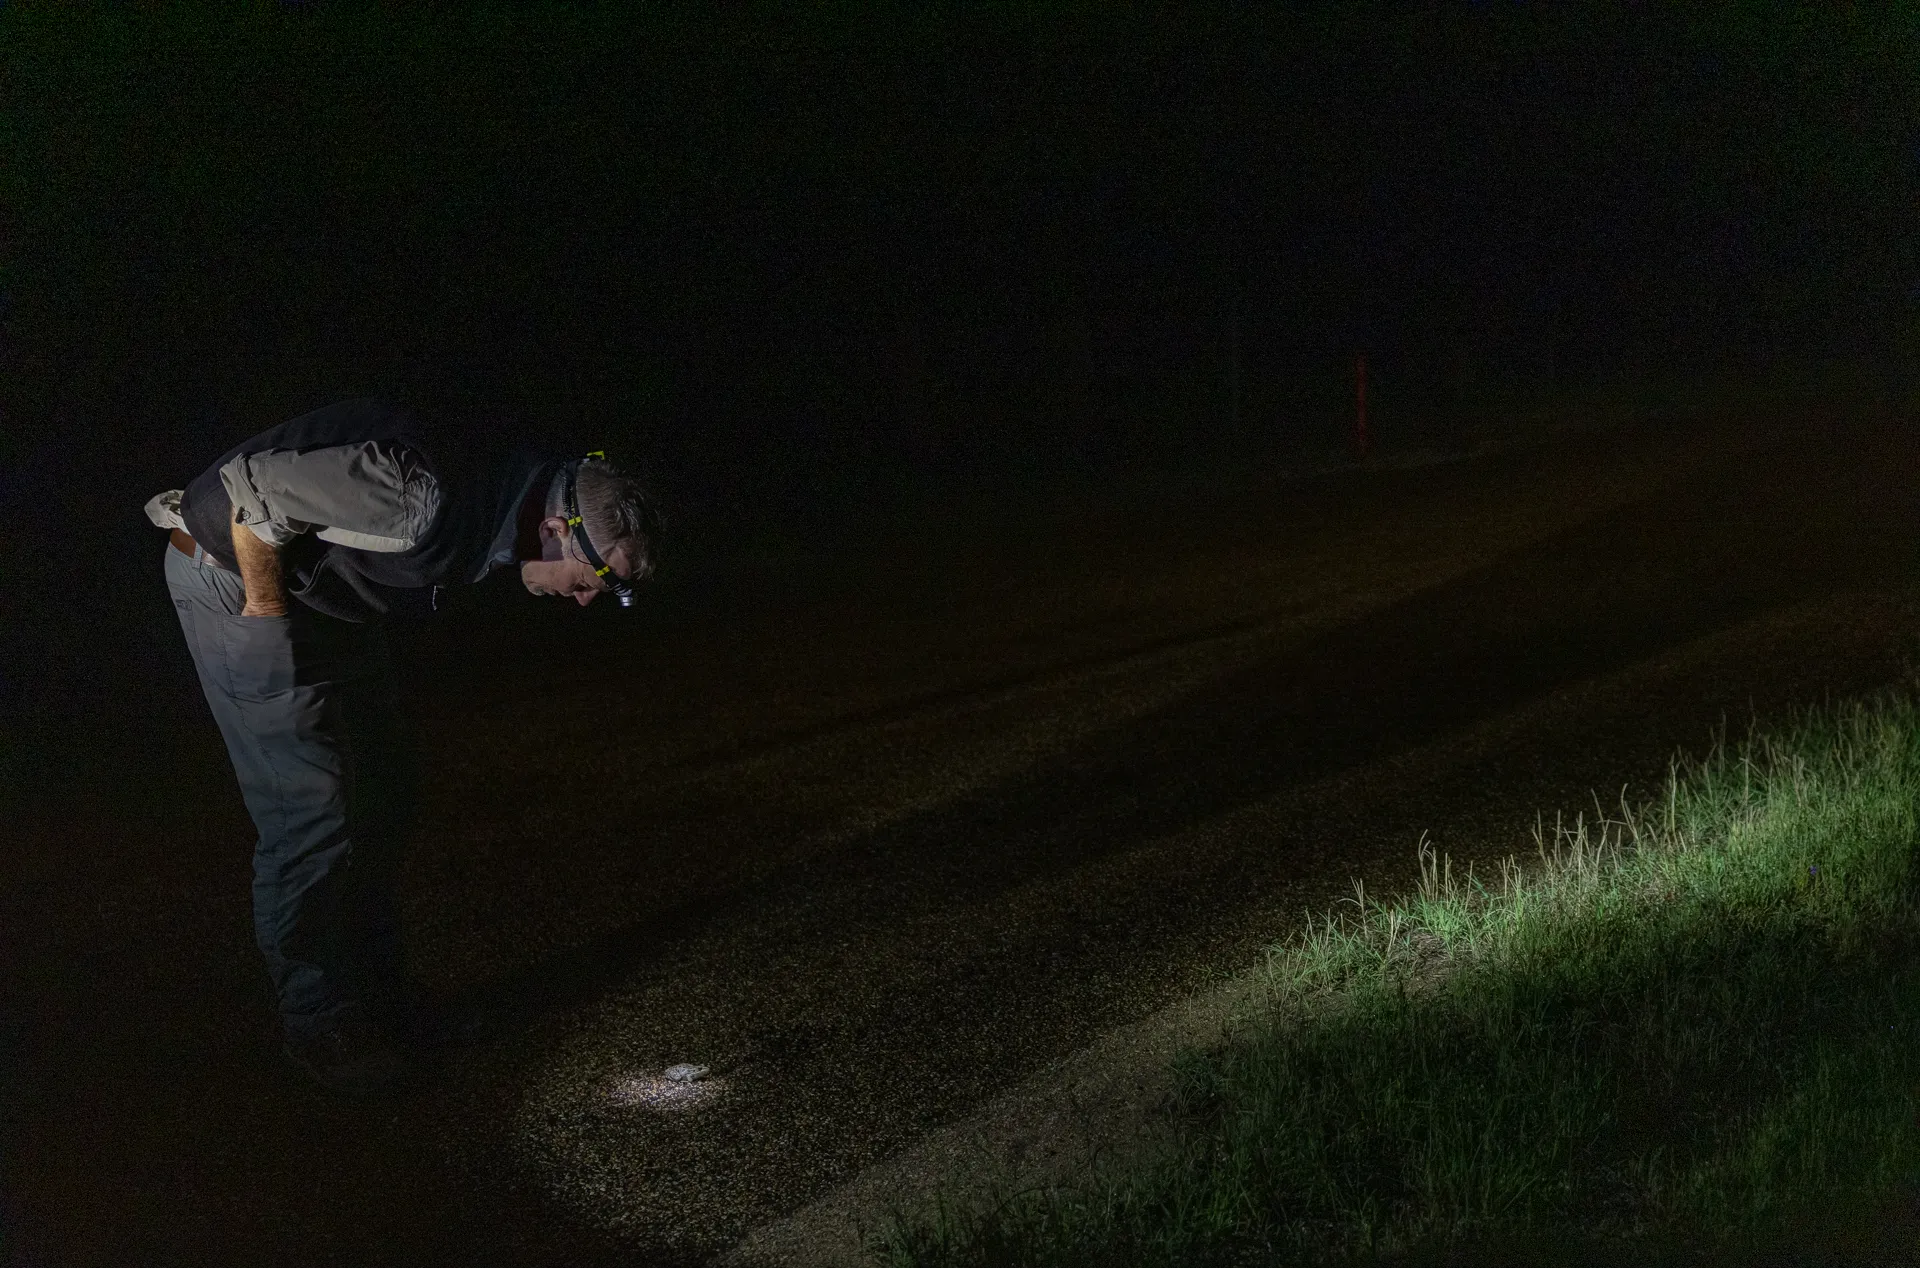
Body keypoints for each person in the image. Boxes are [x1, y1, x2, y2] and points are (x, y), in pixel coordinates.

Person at [145, 398, 660, 1094]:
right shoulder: (420, 499)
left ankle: (381, 995)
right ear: (553, 528)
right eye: (597, 582)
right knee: (310, 813)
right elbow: (246, 491)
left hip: (326, 601)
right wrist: (267, 618)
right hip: (239, 579)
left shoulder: (508, 495)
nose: (585, 600)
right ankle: (317, 1018)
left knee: (387, 789)